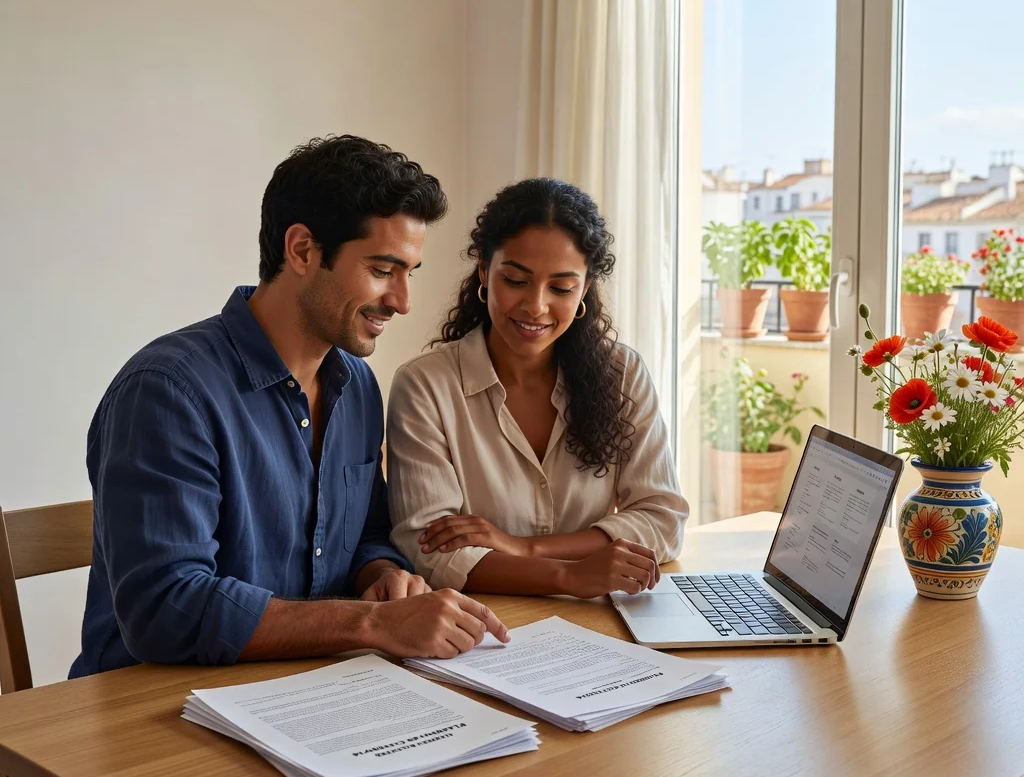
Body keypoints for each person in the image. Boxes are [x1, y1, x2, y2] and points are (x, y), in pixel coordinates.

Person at [70, 135, 508, 678]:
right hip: (151, 706)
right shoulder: (167, 392)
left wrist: (383, 576)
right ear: (301, 250)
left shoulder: (357, 386)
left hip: (306, 689)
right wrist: (373, 623)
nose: (402, 301)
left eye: (408, 273)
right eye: (382, 270)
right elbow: (166, 609)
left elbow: (367, 534)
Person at [386, 178, 687, 597]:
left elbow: (663, 520)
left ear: (585, 288)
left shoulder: (624, 374)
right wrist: (569, 576)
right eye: (515, 280)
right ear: (484, 270)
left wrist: (526, 548)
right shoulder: (425, 386)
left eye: (561, 288)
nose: (536, 306)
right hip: (486, 620)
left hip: (604, 613)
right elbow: (431, 554)